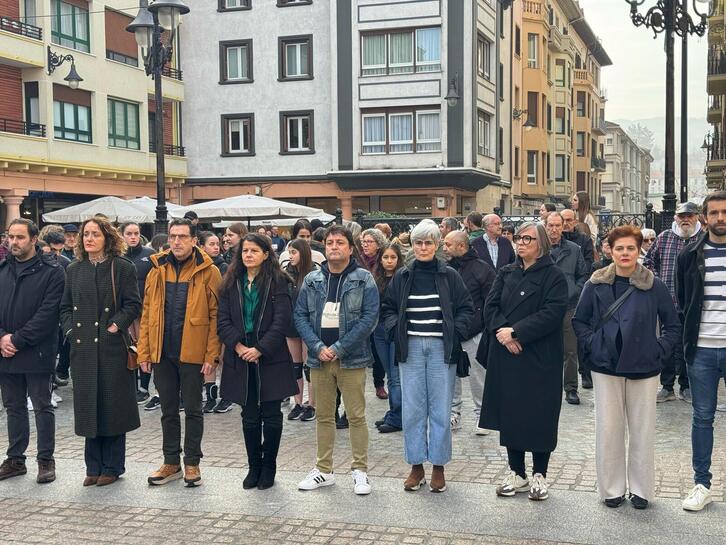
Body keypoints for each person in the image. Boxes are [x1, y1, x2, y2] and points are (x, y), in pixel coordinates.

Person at [573, 225, 680, 510]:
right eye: (619, 248)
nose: (624, 253)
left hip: (643, 367)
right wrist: (593, 345)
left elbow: (672, 325)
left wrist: (658, 350)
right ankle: (612, 489)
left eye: (630, 248)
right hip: (605, 365)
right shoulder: (595, 283)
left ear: (638, 250)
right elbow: (579, 321)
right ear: (609, 250)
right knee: (608, 430)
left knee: (642, 430)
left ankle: (642, 490)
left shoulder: (653, 284)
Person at [381, 220, 473, 493]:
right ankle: (416, 465)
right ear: (413, 245)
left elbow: (467, 309)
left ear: (437, 245)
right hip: (409, 348)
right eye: (419, 242)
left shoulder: (449, 276)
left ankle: (439, 466)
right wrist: (394, 329)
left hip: (440, 349)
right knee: (412, 409)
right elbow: (387, 309)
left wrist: (455, 331)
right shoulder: (403, 276)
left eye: (428, 242)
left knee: (440, 409)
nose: (423, 247)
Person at [480, 221, 568, 501]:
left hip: (539, 355)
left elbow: (553, 312)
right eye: (518, 238)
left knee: (540, 414)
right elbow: (490, 306)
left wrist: (518, 332)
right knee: (511, 414)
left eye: (527, 239)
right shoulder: (506, 272)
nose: (520, 243)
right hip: (507, 354)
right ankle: (516, 471)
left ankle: (539, 473)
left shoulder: (553, 276)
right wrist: (505, 333)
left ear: (540, 244)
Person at [137, 218, 222, 488]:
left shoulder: (209, 271)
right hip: (162, 351)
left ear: (194, 240)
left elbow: (216, 316)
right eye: (173, 236)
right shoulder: (156, 268)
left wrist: (212, 356)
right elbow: (148, 312)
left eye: (183, 236)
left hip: (193, 352)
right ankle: (171, 461)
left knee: (194, 410)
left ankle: (192, 463)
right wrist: (144, 352)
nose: (176, 242)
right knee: (168, 410)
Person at [294, 225, 378, 496]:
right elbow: (300, 317)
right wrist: (317, 347)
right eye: (329, 242)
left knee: (355, 415)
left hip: (351, 358)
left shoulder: (364, 279)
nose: (333, 247)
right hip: (319, 359)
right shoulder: (312, 280)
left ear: (350, 248)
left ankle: (360, 470)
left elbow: (369, 318)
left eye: (340, 242)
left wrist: (339, 347)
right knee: (324, 416)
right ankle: (324, 470)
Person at [59, 216, 141, 486]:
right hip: (82, 350)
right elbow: (65, 307)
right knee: (88, 407)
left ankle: (113, 467)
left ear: (108, 237)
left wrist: (115, 326)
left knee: (112, 407)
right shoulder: (74, 269)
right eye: (86, 234)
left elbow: (133, 304)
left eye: (95, 234)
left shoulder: (122, 267)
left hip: (111, 349)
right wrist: (71, 332)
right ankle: (92, 467)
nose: (89, 238)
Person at [217, 234, 297, 490]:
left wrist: (260, 349)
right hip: (240, 354)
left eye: (254, 250)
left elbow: (282, 320)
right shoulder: (231, 283)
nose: (248, 255)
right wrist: (239, 346)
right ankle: (254, 466)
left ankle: (269, 467)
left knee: (272, 415)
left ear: (266, 254)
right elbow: (222, 320)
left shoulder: (278, 281)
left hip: (270, 354)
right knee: (249, 415)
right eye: (244, 251)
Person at [0, 219, 65, 484]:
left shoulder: (53, 270)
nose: (13, 242)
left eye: (19, 237)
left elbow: (48, 314)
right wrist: (2, 338)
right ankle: (16, 459)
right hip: (5, 351)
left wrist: (16, 339)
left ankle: (45, 460)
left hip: (37, 351)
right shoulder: (2, 269)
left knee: (42, 406)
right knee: (13, 407)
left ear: (34, 239)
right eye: (10, 237)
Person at [677, 191, 726, 511]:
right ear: (704, 217)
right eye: (715, 213)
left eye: (725, 212)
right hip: (703, 349)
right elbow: (684, 301)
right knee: (702, 418)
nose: (721, 218)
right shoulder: (689, 254)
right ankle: (702, 484)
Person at [645, 202, 702, 403]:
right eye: (682, 216)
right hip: (667, 300)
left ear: (697, 217)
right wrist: (657, 281)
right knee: (667, 345)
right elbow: (649, 262)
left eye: (690, 215)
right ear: (676, 217)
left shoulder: (703, 238)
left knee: (689, 345)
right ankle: (667, 386)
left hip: (694, 302)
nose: (686, 219)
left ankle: (686, 386)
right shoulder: (664, 237)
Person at [443, 231, 495, 434]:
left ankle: (482, 415)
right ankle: (453, 414)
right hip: (450, 331)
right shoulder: (445, 269)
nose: (444, 248)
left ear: (461, 246)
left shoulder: (482, 269)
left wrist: (483, 326)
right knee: (451, 376)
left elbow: (490, 300)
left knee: (478, 376)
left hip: (475, 332)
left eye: (448, 244)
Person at [546, 212, 588, 402]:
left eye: (557, 225)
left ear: (563, 226)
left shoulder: (573, 249)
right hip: (544, 307)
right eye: (550, 225)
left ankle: (571, 388)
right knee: (545, 349)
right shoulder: (538, 247)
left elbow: (582, 275)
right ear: (545, 226)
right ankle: (545, 386)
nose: (554, 229)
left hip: (569, 305)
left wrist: (575, 291)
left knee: (570, 350)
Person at [121, 222, 156, 406]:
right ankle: (131, 386)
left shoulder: (149, 255)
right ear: (122, 235)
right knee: (128, 348)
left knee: (144, 347)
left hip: (145, 310)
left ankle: (144, 387)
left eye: (136, 233)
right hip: (125, 311)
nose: (133, 237)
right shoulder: (117, 255)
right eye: (129, 233)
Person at [197, 231, 232, 414]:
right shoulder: (196, 266)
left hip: (222, 317)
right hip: (203, 319)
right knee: (207, 357)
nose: (216, 247)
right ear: (201, 246)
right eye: (211, 244)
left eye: (217, 244)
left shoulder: (223, 266)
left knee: (223, 357)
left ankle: (226, 396)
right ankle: (211, 397)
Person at [284, 238, 317, 423]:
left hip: (308, 324)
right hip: (290, 324)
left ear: (303, 253)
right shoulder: (285, 274)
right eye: (289, 252)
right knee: (294, 366)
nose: (290, 256)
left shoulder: (314, 274)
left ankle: (312, 404)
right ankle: (297, 402)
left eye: (294, 252)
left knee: (308, 366)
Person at [372, 244, 404, 433]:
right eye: (386, 257)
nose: (389, 261)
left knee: (395, 377)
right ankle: (393, 412)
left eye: (393, 257)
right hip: (379, 330)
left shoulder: (403, 278)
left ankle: (397, 417)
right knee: (389, 374)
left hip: (396, 330)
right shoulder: (376, 280)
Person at [359, 228, 388, 400]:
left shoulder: (383, 260)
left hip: (379, 312)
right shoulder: (358, 261)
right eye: (363, 241)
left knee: (378, 352)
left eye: (369, 242)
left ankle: (379, 384)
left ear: (378, 244)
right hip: (361, 312)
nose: (365, 245)